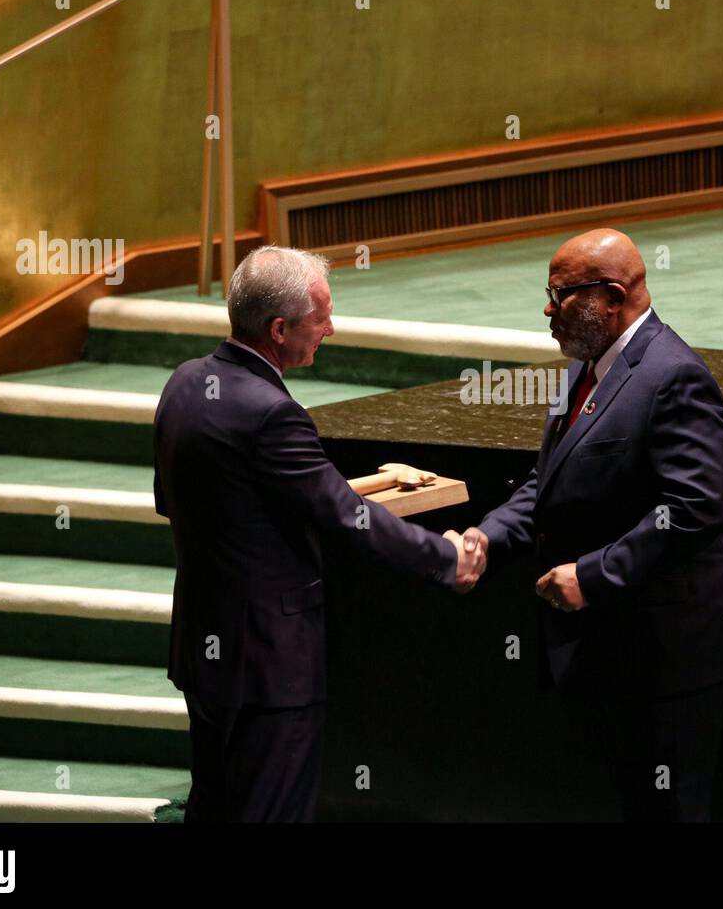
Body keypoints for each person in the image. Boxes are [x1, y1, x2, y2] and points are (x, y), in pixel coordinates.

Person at [153, 245, 482, 822]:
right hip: (269, 665)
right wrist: (445, 556)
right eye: (320, 318)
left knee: (213, 809)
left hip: (205, 651)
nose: (330, 328)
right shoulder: (273, 414)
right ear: (279, 329)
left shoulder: (185, 384)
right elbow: (344, 519)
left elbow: (187, 502)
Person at [457, 228, 723, 822]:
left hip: (667, 652)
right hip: (605, 650)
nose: (547, 308)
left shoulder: (674, 377)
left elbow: (693, 509)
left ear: (611, 296)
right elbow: (551, 480)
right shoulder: (590, 366)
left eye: (559, 293)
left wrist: (592, 576)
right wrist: (488, 535)